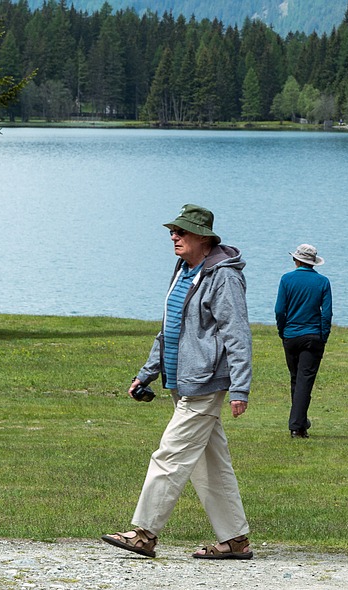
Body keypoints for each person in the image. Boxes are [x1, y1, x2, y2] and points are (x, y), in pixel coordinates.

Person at [101, 204, 254, 560]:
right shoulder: (185, 271)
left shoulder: (223, 277)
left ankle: (144, 533)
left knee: (169, 455)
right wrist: (147, 372)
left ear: (203, 238)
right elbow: (171, 330)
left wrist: (240, 388)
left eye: (182, 232)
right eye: (173, 231)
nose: (174, 236)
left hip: (205, 383)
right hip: (181, 379)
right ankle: (235, 540)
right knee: (207, 463)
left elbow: (237, 335)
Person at [274, 243, 332, 438]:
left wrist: (283, 330)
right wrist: (323, 335)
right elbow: (327, 314)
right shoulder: (322, 282)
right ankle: (297, 425)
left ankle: (299, 422)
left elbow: (280, 310)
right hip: (313, 335)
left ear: (296, 260)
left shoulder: (286, 280)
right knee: (304, 380)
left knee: (296, 379)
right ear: (313, 263)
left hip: (291, 335)